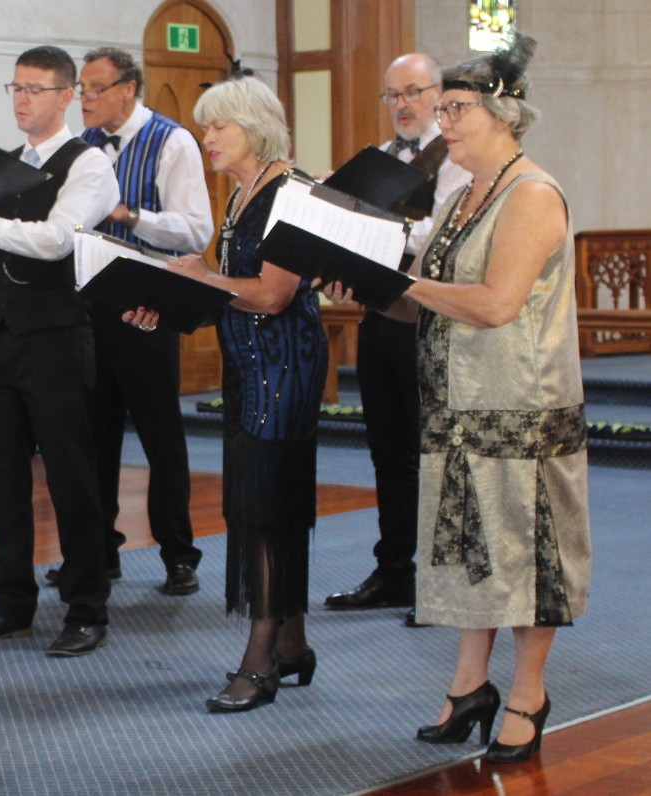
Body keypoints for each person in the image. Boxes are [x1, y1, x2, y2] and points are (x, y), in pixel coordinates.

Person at [347, 35, 590, 764]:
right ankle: (468, 686)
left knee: (525, 558)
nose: (440, 119)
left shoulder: (533, 193)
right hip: (457, 404)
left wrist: (398, 283)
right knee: (467, 554)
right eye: (440, 106)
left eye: (456, 107)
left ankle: (529, 693)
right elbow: (421, 305)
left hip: (523, 409)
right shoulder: (457, 196)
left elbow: (493, 304)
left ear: (503, 115)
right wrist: (358, 277)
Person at [128, 75, 326, 711]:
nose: (206, 138)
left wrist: (202, 277)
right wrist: (170, 301)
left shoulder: (290, 192)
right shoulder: (244, 194)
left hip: (284, 365)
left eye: (219, 127)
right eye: (204, 126)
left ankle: (263, 653)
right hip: (249, 363)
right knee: (258, 505)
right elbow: (230, 290)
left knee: (266, 508)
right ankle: (291, 641)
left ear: (257, 126)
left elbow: (270, 294)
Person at [0, 45, 119, 657]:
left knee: (71, 475)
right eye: (14, 88)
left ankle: (87, 605)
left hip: (55, 336)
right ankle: (11, 600)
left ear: (67, 95)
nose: (21, 99)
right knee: (4, 475)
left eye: (35, 89)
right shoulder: (1, 165)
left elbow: (56, 240)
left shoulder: (88, 164)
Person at [45, 46, 211, 596]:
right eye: (82, 90)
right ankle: (98, 552)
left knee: (161, 431)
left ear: (129, 88)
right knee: (92, 435)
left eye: (95, 89)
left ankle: (178, 553)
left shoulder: (173, 140)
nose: (85, 99)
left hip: (147, 305)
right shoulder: (79, 147)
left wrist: (128, 215)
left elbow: (194, 232)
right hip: (87, 307)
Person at [324, 54, 471, 623]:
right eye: (393, 95)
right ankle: (394, 572)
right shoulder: (380, 160)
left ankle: (442, 581)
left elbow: (444, 231)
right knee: (388, 453)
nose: (403, 104)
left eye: (413, 91)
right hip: (380, 316)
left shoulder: (456, 157)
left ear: (438, 94)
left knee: (433, 452)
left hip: (434, 324)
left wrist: (377, 228)